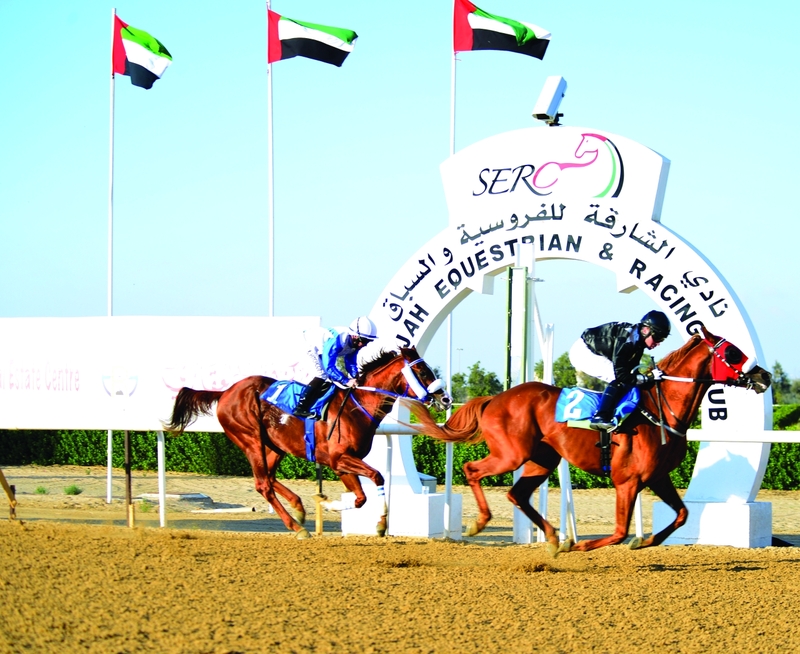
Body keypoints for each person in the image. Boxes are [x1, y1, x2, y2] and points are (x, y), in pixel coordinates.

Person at [568, 310, 671, 429]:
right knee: (617, 378)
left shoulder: (638, 342)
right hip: (583, 352)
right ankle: (600, 417)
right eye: (657, 337)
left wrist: (645, 379)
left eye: (662, 339)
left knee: (629, 380)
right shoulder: (627, 340)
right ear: (646, 330)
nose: (658, 343)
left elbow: (632, 372)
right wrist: (647, 377)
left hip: (596, 350)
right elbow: (621, 375)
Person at [293, 316, 379, 419]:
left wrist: (356, 377)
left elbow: (350, 361)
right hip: (307, 343)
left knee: (329, 378)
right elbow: (329, 367)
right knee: (322, 375)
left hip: (319, 348)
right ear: (355, 336)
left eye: (368, 341)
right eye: (364, 340)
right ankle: (300, 408)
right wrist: (346, 381)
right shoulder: (337, 340)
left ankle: (315, 404)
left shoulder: (355, 343)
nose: (364, 345)